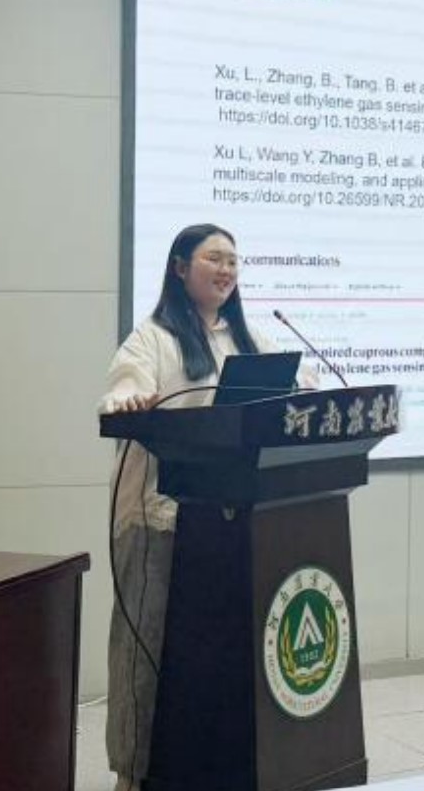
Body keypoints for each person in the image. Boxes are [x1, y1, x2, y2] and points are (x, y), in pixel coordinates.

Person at [99, 223, 312, 791]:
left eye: (233, 261)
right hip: (158, 518)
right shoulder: (153, 338)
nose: (226, 270)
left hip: (224, 527)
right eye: (214, 258)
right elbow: (120, 392)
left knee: (208, 654)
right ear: (179, 267)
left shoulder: (246, 337)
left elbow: (298, 381)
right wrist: (132, 402)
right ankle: (132, 773)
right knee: (144, 648)